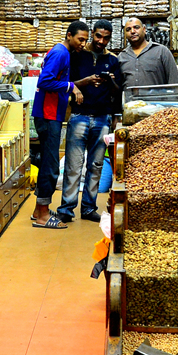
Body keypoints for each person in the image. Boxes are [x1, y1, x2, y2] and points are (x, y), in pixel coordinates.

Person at [57, 20, 122, 224]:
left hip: (103, 117)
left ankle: (88, 208)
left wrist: (111, 81)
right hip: (79, 115)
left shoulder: (113, 60)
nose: (101, 41)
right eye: (98, 36)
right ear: (92, 33)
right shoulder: (76, 55)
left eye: (106, 38)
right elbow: (66, 83)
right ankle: (66, 209)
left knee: (96, 165)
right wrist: (84, 83)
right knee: (73, 165)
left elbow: (118, 92)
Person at [30, 20, 88, 229]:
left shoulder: (63, 52)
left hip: (50, 113)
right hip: (48, 114)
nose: (83, 44)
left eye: (85, 40)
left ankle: (39, 209)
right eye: (80, 39)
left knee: (49, 161)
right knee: (51, 164)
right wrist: (71, 86)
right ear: (69, 35)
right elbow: (45, 81)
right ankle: (43, 215)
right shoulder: (60, 53)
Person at [117, 17, 178, 89]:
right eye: (128, 29)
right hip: (129, 96)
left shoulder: (162, 52)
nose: (132, 31)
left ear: (144, 29)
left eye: (136, 27)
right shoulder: (122, 57)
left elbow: (174, 83)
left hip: (156, 96)